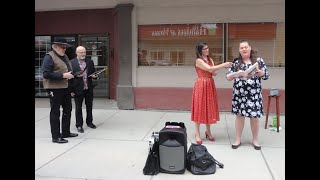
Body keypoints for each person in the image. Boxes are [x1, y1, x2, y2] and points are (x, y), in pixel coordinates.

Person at [226, 40, 270, 150]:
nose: (244, 49)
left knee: (254, 117)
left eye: (246, 47)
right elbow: (228, 76)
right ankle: (238, 139)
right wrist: (233, 76)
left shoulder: (259, 61)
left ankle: (255, 140)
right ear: (239, 50)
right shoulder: (236, 62)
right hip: (239, 95)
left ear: (250, 48)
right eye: (242, 48)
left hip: (254, 95)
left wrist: (262, 73)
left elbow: (266, 75)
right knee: (239, 117)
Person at [191, 41, 232, 144]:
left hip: (209, 84)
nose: (207, 50)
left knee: (209, 108)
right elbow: (209, 69)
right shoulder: (198, 61)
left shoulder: (210, 59)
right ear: (200, 51)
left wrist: (214, 68)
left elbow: (214, 73)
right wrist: (223, 65)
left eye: (207, 48)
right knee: (199, 108)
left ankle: (208, 131)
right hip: (201, 84)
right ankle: (197, 132)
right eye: (204, 49)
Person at [42, 38, 78, 144]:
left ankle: (65, 132)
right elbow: (46, 74)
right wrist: (63, 75)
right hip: (54, 89)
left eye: (66, 47)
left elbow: (66, 71)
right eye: (63, 47)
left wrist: (73, 75)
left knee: (68, 110)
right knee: (55, 112)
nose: (65, 49)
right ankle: (56, 136)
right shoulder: (49, 57)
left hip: (65, 88)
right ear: (56, 46)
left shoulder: (65, 56)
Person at [70, 46, 98, 133]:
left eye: (84, 52)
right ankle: (79, 125)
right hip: (77, 89)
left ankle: (89, 122)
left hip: (88, 88)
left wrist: (95, 76)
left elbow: (94, 73)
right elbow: (69, 78)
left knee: (89, 106)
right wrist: (70, 90)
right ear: (76, 53)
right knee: (78, 108)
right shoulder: (71, 63)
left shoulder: (90, 62)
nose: (83, 54)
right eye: (81, 52)